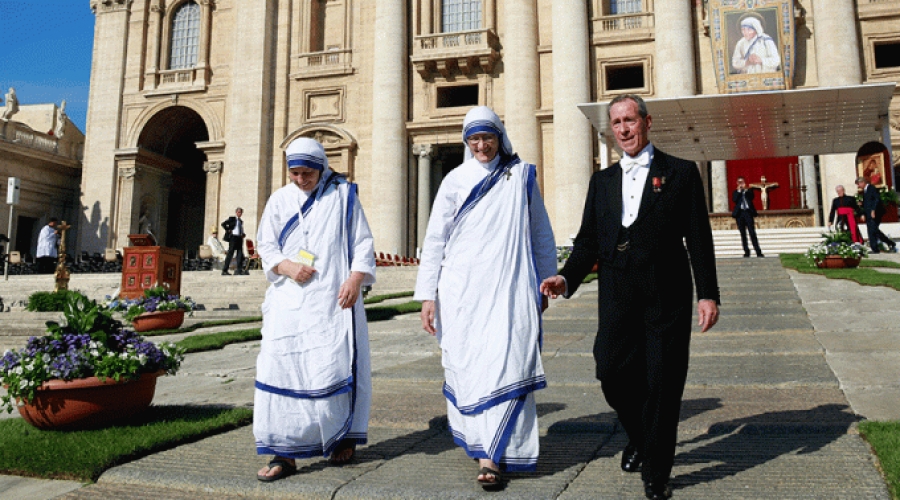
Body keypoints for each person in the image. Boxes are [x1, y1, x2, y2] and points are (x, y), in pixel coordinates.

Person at [540, 94, 720, 500]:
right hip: (617, 293)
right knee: (610, 370)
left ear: (647, 122)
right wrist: (565, 279)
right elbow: (587, 242)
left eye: (630, 120)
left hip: (667, 294)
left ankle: (657, 475)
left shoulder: (681, 173)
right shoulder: (601, 182)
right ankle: (641, 437)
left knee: (662, 382)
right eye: (617, 122)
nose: (623, 129)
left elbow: (699, 238)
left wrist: (708, 294)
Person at [414, 106, 557, 490]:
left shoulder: (521, 176)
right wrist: (427, 295)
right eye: (474, 139)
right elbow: (435, 239)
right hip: (462, 294)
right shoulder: (455, 180)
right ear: (467, 141)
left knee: (509, 363)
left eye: (487, 138)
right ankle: (485, 450)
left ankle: (493, 457)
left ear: (499, 137)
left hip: (510, 291)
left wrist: (546, 279)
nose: (481, 145)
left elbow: (540, 232)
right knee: (473, 369)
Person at [253, 137, 376, 482]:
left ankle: (340, 438)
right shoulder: (279, 199)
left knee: (330, 366)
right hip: (289, 302)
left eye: (307, 173)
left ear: (321, 168)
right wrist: (287, 266)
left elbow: (363, 241)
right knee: (283, 367)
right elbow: (266, 244)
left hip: (332, 300)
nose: (300, 179)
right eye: (294, 173)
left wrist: (355, 279)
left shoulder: (343, 196)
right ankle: (284, 452)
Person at [857, 176, 896, 254]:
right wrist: (862, 205)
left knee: (873, 230)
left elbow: (877, 199)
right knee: (872, 230)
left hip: (874, 213)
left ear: (862, 182)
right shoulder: (865, 190)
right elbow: (868, 202)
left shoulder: (871, 188)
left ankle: (888, 243)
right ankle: (876, 248)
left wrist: (873, 210)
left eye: (858, 184)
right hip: (868, 213)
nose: (858, 186)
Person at [732, 177, 764, 258]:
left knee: (752, 233)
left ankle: (758, 252)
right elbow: (735, 199)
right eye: (739, 182)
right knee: (743, 234)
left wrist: (745, 190)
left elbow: (751, 197)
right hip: (740, 214)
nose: (741, 184)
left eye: (742, 182)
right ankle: (746, 251)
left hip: (748, 213)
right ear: (737, 183)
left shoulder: (749, 191)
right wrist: (739, 191)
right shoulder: (735, 192)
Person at [221, 207, 247, 275]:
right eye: (238, 212)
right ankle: (225, 270)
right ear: (236, 212)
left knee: (240, 253)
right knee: (230, 253)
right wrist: (228, 230)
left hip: (239, 238)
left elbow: (239, 229)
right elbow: (223, 224)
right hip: (233, 238)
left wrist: (242, 234)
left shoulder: (241, 221)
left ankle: (239, 270)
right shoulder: (232, 218)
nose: (239, 213)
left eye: (241, 212)